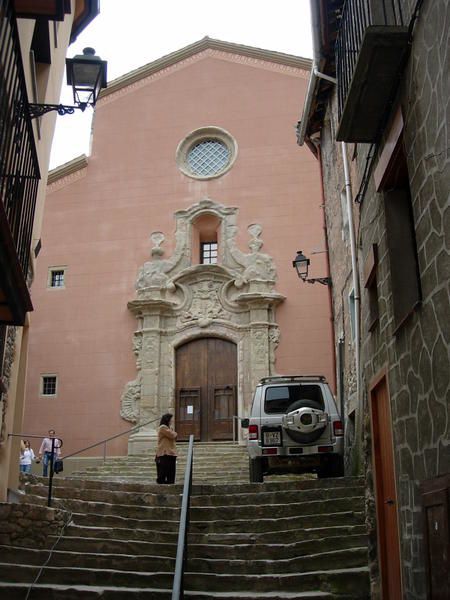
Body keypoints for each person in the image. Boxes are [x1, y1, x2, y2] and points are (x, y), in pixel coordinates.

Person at [155, 413, 177, 484]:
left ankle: (170, 481)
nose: (172, 421)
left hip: (170, 452)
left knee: (171, 469)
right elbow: (173, 435)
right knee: (164, 469)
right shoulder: (163, 427)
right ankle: (163, 482)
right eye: (171, 419)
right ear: (167, 420)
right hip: (164, 452)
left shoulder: (168, 428)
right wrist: (174, 432)